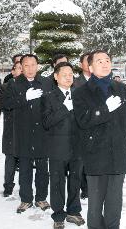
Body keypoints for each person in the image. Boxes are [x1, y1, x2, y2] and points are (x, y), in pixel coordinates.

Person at [73, 50, 126, 229]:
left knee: (114, 203)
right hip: (95, 154)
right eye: (99, 61)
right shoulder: (80, 92)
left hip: (118, 152)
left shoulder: (122, 89)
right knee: (95, 205)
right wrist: (104, 109)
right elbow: (83, 120)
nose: (104, 64)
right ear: (90, 66)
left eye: (107, 60)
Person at [3, 54, 53, 213]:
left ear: (37, 66)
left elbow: (52, 106)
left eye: (33, 65)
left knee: (42, 169)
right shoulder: (14, 84)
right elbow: (5, 103)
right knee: (24, 168)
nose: (30, 69)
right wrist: (23, 97)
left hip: (42, 133)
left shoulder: (46, 83)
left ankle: (41, 197)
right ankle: (26, 199)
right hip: (22, 132)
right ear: (21, 67)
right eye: (26, 65)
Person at [42, 62, 85, 229]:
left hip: (77, 146)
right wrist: (64, 108)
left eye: (71, 74)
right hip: (57, 147)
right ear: (56, 76)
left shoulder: (79, 95)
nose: (69, 77)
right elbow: (46, 122)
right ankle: (58, 214)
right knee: (57, 182)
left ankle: (73, 211)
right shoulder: (49, 97)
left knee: (75, 180)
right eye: (65, 74)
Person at [0, 61, 22, 197]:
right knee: (10, 159)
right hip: (11, 129)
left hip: (27, 129)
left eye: (22, 67)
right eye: (18, 68)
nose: (21, 70)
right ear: (12, 72)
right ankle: (8, 185)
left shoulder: (32, 86)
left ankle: (25, 186)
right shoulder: (5, 87)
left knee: (26, 161)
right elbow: (3, 103)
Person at [72, 51, 91, 200]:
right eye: (87, 61)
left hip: (98, 127)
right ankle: (82, 187)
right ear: (80, 65)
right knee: (80, 162)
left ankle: (91, 187)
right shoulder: (75, 82)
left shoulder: (102, 81)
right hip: (80, 127)